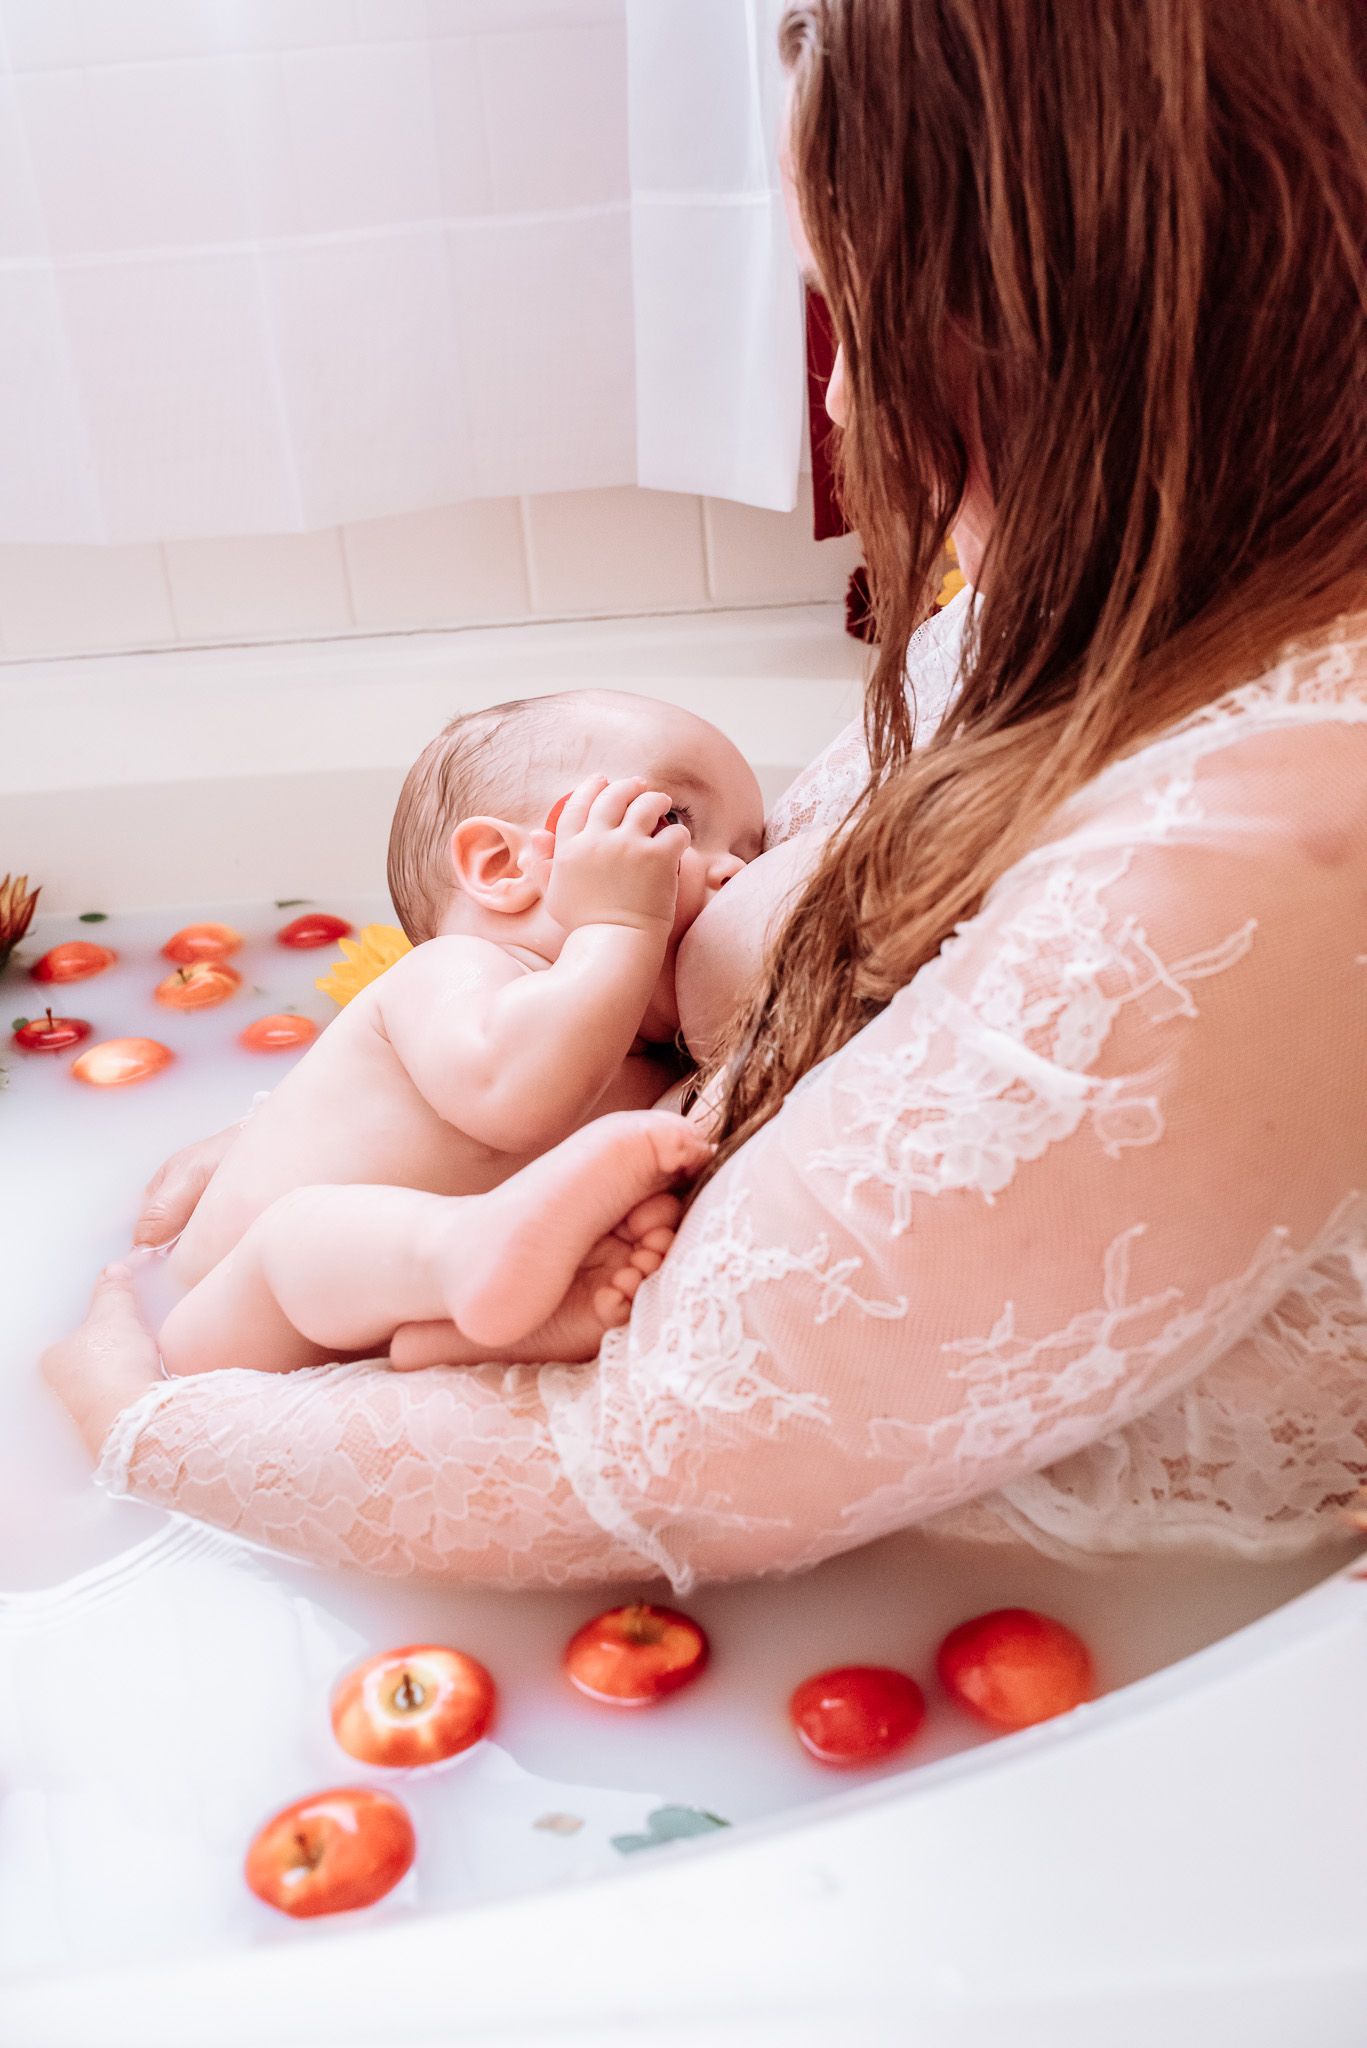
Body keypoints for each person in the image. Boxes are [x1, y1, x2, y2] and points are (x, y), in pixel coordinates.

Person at [45, 0, 1367, 1588]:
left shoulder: (1251, 846)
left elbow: (651, 1462)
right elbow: (720, 931)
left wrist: (138, 1423)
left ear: (1042, 334)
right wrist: (316, 1137)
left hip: (1069, 1608)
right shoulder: (1109, 604)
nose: (833, 408)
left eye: (852, 321)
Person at [153, 689, 759, 1376]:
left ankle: (475, 1322)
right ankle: (459, 1260)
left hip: (403, 1330)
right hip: (229, 1326)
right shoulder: (454, 974)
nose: (735, 871)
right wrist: (617, 926)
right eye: (670, 819)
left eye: (753, 850)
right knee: (299, 1231)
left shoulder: (653, 1064)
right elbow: (512, 1094)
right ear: (502, 869)